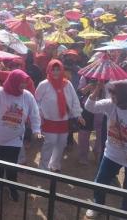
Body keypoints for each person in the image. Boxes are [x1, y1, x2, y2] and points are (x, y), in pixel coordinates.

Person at [0, 69, 42, 201]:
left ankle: (12, 187)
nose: (24, 85)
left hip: (14, 139)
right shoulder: (0, 91)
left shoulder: (27, 96)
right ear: (13, 81)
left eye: (25, 82)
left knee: (11, 166)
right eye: (21, 82)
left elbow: (34, 114)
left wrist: (36, 130)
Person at [85, 80, 127, 218]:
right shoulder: (110, 105)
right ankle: (98, 205)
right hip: (112, 154)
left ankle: (123, 212)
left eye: (115, 95)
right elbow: (89, 106)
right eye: (111, 94)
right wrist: (97, 88)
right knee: (100, 181)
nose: (111, 97)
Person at [35, 59, 84, 172]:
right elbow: (36, 100)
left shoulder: (67, 84)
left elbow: (74, 100)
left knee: (61, 144)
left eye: (58, 69)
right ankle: (43, 167)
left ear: (62, 70)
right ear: (49, 70)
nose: (56, 72)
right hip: (49, 120)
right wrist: (39, 113)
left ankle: (55, 165)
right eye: (53, 70)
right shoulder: (44, 84)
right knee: (49, 143)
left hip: (63, 120)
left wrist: (78, 114)